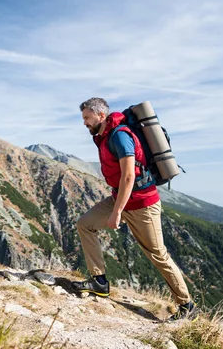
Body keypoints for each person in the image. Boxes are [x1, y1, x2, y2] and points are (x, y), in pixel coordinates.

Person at [72, 97, 196, 321]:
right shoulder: (104, 136)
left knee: (158, 255)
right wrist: (118, 206)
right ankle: (99, 282)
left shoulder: (120, 136)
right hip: (121, 198)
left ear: (101, 116)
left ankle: (187, 306)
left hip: (141, 205)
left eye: (87, 118)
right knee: (85, 224)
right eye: (83, 119)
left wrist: (117, 212)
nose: (84, 123)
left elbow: (129, 176)